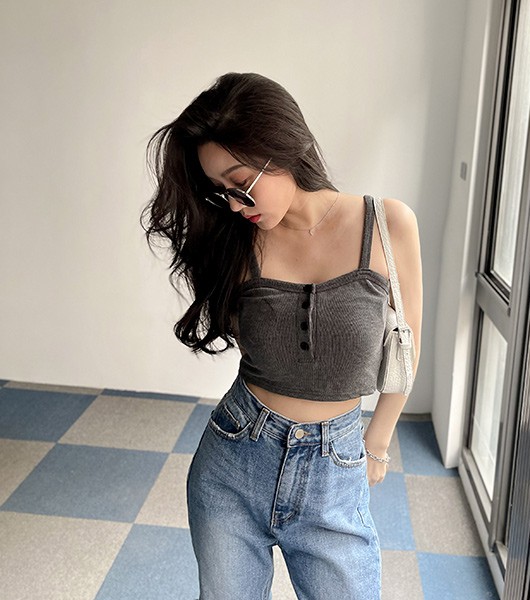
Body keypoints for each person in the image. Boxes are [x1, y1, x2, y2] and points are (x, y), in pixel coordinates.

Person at [141, 72, 422, 600]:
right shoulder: (237, 241)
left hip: (335, 469)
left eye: (240, 182)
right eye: (221, 191)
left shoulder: (387, 225)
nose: (234, 203)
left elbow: (407, 349)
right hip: (233, 460)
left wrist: (377, 442)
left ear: (282, 146)